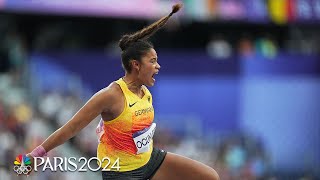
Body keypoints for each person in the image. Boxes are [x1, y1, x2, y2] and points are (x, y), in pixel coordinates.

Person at [26, 3, 220, 180]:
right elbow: (70, 128)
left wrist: (108, 127)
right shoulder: (111, 95)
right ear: (136, 65)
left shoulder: (145, 91)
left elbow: (133, 130)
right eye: (152, 61)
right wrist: (36, 154)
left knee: (210, 176)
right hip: (121, 173)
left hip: (150, 161)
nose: (158, 66)